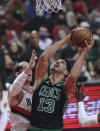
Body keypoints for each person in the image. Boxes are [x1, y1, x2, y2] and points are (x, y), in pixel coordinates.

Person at [27, 28, 94, 131]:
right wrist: (66, 39)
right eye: (56, 61)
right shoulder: (41, 81)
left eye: (62, 62)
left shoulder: (65, 87)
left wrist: (84, 52)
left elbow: (73, 76)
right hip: (33, 128)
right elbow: (44, 58)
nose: (58, 62)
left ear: (66, 72)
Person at [9, 50, 36, 131]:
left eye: (31, 68)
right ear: (17, 74)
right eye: (26, 68)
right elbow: (14, 88)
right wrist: (28, 68)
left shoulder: (36, 90)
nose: (29, 71)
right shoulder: (15, 91)